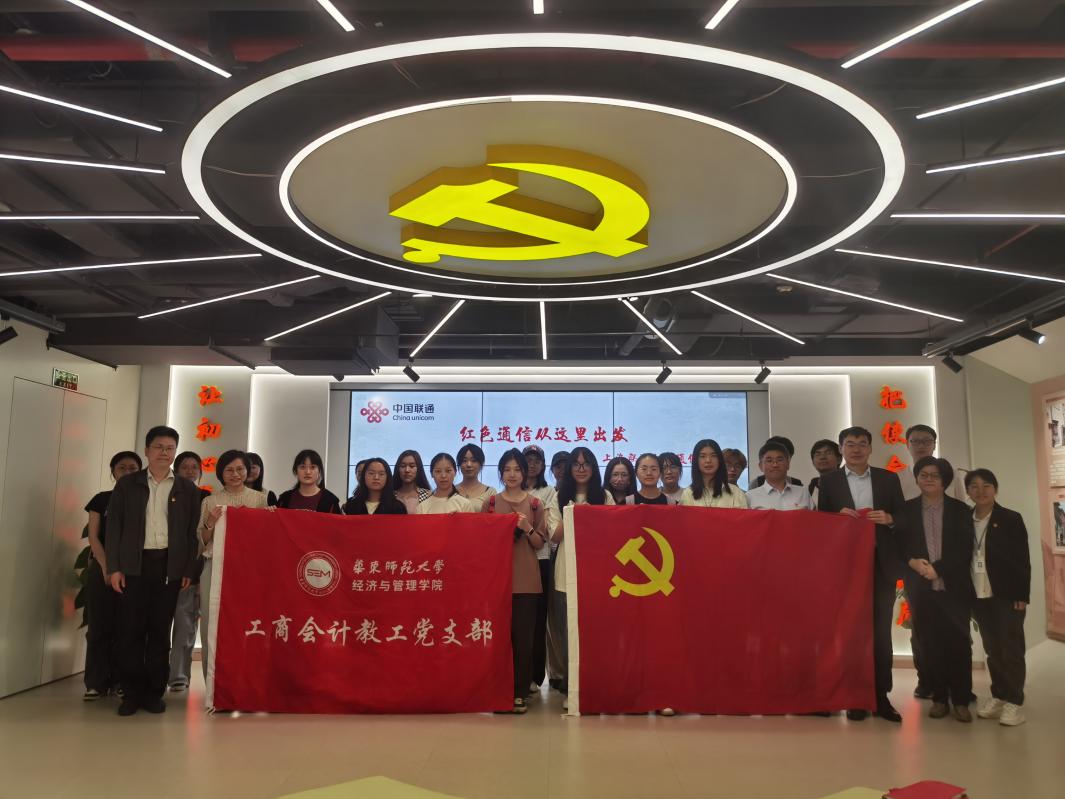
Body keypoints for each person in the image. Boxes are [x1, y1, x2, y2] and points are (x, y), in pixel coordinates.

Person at [105, 426, 200, 717]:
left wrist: (187, 568)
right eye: (158, 447)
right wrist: (114, 568)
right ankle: (131, 694)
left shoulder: (187, 489)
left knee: (160, 632)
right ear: (147, 450)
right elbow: (114, 528)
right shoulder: (128, 485)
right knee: (131, 631)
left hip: (169, 567)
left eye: (170, 448)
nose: (164, 453)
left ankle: (154, 692)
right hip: (133, 566)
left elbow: (191, 533)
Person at [817, 426, 906, 723]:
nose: (856, 449)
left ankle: (881, 696)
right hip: (846, 567)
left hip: (881, 565)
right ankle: (855, 696)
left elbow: (903, 517)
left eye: (862, 444)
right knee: (851, 632)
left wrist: (890, 518)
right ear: (841, 448)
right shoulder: (828, 481)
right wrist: (836, 519)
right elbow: (821, 523)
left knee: (880, 633)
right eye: (850, 444)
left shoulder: (888, 479)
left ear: (870, 448)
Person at [898, 456, 975, 723]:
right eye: (924, 475)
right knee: (930, 645)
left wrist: (938, 569)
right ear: (917, 479)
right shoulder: (906, 510)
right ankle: (939, 698)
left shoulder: (961, 510)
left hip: (954, 588)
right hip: (921, 589)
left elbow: (965, 548)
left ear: (945, 481)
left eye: (935, 475)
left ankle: (961, 699)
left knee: (959, 644)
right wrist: (912, 562)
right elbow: (899, 545)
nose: (929, 479)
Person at [482, 449, 547, 714]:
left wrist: (526, 528)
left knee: (523, 640)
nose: (512, 474)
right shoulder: (490, 503)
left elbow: (540, 543)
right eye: (507, 469)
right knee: (498, 639)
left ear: (525, 473)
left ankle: (519, 692)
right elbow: (481, 541)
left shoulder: (535, 504)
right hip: (497, 581)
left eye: (517, 469)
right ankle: (499, 691)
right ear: (500, 473)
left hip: (527, 581)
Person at [966, 469, 1031, 727]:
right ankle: (1000, 695)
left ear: (995, 489)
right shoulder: (965, 519)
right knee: (992, 649)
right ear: (968, 491)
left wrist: (1021, 594)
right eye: (974, 486)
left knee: (1011, 648)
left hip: (1005, 595)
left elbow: (1022, 559)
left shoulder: (1010, 518)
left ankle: (1015, 701)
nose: (980, 491)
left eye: (986, 485)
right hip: (978, 594)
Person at [198, 450, 268, 681]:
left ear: (248, 471)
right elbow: (202, 541)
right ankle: (212, 682)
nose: (235, 474)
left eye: (240, 469)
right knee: (212, 623)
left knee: (246, 622)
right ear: (221, 473)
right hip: (215, 567)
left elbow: (264, 536)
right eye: (229, 470)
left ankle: (245, 679)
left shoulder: (259, 499)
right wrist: (210, 522)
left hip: (247, 570)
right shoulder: (210, 501)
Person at [552, 446, 614, 706]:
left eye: (586, 463)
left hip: (596, 573)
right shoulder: (558, 496)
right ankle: (571, 690)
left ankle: (596, 685)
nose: (580, 468)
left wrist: (592, 516)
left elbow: (611, 534)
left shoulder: (604, 495)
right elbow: (553, 536)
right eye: (576, 464)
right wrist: (574, 515)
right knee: (569, 634)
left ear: (593, 468)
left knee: (595, 633)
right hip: (565, 571)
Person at [82, 450, 142, 700]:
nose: (127, 472)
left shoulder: (145, 499)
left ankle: (121, 681)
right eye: (121, 468)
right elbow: (94, 537)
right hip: (102, 568)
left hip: (134, 570)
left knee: (128, 628)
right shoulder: (101, 499)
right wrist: (107, 567)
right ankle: (96, 682)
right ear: (113, 472)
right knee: (99, 626)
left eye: (133, 468)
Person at [168, 451, 210, 693]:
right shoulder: (167, 495)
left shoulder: (206, 498)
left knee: (185, 626)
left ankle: (179, 676)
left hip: (192, 570)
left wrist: (193, 569)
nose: (190, 471)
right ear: (176, 470)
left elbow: (202, 539)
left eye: (195, 467)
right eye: (185, 466)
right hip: (163, 569)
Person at [522, 445, 561, 693]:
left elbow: (546, 529)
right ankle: (518, 674)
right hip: (516, 560)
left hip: (541, 558)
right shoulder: (509, 492)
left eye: (537, 460)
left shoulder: (549, 492)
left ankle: (535, 675)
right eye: (528, 459)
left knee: (539, 619)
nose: (532, 464)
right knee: (520, 621)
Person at [898, 425, 969, 502]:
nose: (921, 446)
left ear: (934, 445)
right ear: (907, 445)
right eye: (915, 441)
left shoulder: (954, 475)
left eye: (927, 441)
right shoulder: (899, 479)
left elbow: (962, 506)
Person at [747, 440, 813, 510]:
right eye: (769, 461)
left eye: (780, 460)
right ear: (760, 466)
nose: (775, 465)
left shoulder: (803, 493)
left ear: (788, 464)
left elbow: (814, 516)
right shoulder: (750, 497)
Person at [681, 439, 748, 508]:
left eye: (713, 455)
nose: (708, 460)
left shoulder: (737, 493)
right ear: (696, 461)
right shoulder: (688, 493)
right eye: (702, 456)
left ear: (720, 460)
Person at [276, 450, 342, 514]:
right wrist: (271, 511)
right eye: (302, 467)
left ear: (319, 471)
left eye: (312, 467)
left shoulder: (330, 501)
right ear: (296, 471)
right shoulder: (284, 499)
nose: (308, 472)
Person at [342, 458, 407, 515]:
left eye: (381, 474)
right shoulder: (351, 505)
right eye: (371, 473)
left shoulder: (397, 507)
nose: (376, 477)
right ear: (364, 476)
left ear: (387, 478)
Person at [455, 443, 497, 512]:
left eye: (474, 460)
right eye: (464, 461)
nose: (469, 465)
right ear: (459, 464)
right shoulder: (450, 491)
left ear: (481, 464)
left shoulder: (490, 492)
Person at [393, 449, 432, 514]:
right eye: (403, 466)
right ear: (398, 469)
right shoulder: (390, 496)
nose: (407, 470)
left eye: (412, 466)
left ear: (419, 469)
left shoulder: (428, 496)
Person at [808, 439, 842, 505]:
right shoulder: (813, 485)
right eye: (818, 454)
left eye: (828, 453)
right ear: (813, 462)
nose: (822, 457)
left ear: (839, 459)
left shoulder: (847, 482)